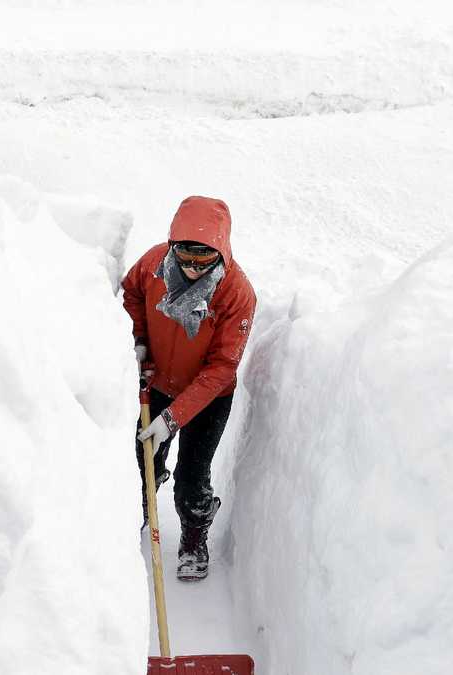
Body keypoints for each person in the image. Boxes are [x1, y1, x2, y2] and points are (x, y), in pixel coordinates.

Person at [121, 196, 257, 580]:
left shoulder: (236, 293)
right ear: (171, 246)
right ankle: (141, 511)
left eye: (204, 261)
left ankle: (194, 537)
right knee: (143, 457)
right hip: (158, 381)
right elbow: (131, 293)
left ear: (221, 253)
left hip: (209, 396)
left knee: (192, 477)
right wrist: (139, 340)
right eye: (185, 258)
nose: (193, 269)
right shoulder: (153, 266)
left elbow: (222, 366)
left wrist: (174, 418)